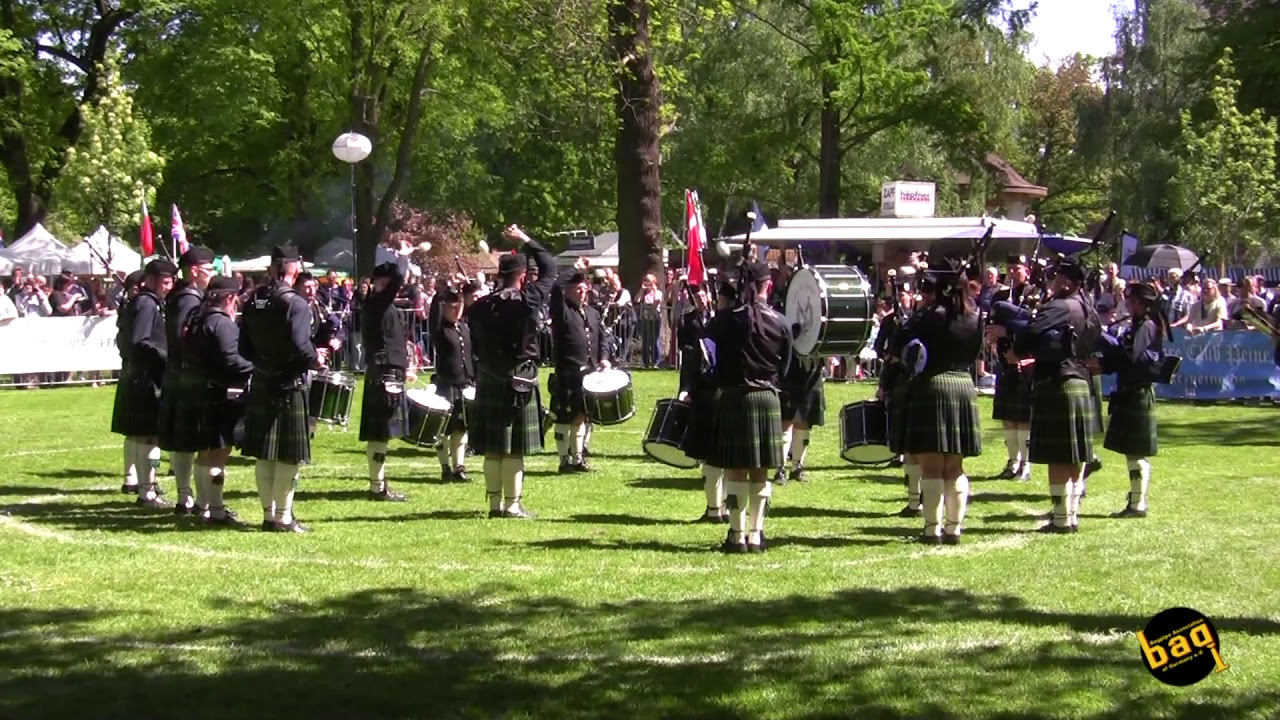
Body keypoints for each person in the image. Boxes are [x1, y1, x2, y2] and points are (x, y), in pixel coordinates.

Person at [994, 257, 1099, 534]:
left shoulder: (1059, 306)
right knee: (1075, 456)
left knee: (1059, 456)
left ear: (1067, 282)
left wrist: (1019, 343)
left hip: (1057, 382)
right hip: (1081, 381)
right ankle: (1070, 515)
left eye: (1057, 277)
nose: (1052, 281)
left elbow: (1030, 333)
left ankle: (1061, 520)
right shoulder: (1088, 308)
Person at [468, 225, 555, 519]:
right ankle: (512, 505)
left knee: (494, 447)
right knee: (514, 447)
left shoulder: (480, 306)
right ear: (522, 275)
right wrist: (525, 240)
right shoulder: (528, 300)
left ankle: (494, 506)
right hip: (519, 376)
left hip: (489, 375)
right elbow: (550, 268)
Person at [707, 261, 791, 554]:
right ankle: (756, 535)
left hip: (735, 397)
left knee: (735, 470)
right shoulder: (781, 322)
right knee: (760, 471)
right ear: (768, 285)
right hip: (767, 397)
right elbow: (785, 368)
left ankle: (736, 535)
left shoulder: (724, 320)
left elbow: (709, 359)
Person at [240, 245, 323, 533]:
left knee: (265, 453)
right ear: (294, 268)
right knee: (288, 454)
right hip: (289, 383)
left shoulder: (254, 299)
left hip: (263, 379)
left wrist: (264, 363)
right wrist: (315, 358)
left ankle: (268, 515)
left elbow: (243, 347)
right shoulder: (295, 303)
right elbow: (301, 346)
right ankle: (284, 517)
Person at [900, 266, 983, 544]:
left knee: (932, 466)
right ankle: (953, 529)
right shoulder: (976, 315)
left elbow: (900, 343)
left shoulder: (929, 316)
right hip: (963, 385)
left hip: (933, 385)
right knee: (955, 466)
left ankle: (931, 529)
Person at [181, 276, 255, 526]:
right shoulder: (221, 323)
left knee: (204, 452)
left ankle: (203, 506)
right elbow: (231, 360)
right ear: (230, 297)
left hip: (198, 389)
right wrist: (256, 366)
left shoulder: (196, 318)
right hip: (218, 394)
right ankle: (216, 510)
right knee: (218, 453)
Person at [110, 259, 177, 507]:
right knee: (150, 438)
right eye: (165, 282)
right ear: (150, 280)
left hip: (138, 375)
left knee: (140, 436)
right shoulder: (147, 305)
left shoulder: (141, 302)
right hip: (148, 377)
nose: (168, 287)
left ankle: (141, 485)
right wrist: (167, 357)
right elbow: (140, 341)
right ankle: (148, 490)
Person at [1096, 283, 1165, 519]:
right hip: (1128, 391)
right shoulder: (1137, 325)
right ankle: (1136, 501)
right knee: (1131, 452)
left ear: (1143, 304)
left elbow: (1130, 355)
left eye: (1133, 301)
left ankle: (1137, 504)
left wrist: (1105, 341)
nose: (1129, 304)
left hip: (1138, 392)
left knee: (1135, 453)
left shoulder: (1146, 326)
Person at [157, 246, 215, 516]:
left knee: (187, 441)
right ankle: (189, 497)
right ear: (194, 271)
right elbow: (185, 338)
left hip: (182, 374)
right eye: (209, 269)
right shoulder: (189, 299)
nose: (212, 273)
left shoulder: (183, 295)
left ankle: (187, 497)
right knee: (192, 441)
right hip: (189, 375)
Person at [357, 262, 412, 502]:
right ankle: (377, 487)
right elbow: (398, 279)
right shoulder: (378, 302)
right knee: (380, 434)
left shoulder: (378, 303)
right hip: (385, 373)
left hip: (386, 371)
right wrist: (404, 257)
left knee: (380, 434)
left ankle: (378, 483)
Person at [550, 258, 611, 474]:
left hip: (590, 373)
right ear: (568, 290)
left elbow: (603, 339)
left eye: (585, 289)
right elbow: (556, 287)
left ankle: (578, 458)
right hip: (568, 371)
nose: (583, 292)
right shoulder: (561, 310)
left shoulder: (592, 313)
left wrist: (604, 357)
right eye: (578, 288)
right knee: (563, 417)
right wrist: (574, 268)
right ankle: (563, 460)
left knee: (583, 416)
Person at [677, 282, 725, 523]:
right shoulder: (688, 321)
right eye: (697, 296)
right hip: (702, 386)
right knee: (716, 454)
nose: (701, 299)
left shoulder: (720, 321)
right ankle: (718, 508)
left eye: (704, 294)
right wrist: (685, 389)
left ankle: (718, 508)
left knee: (714, 453)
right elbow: (688, 355)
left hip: (713, 391)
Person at [989, 255, 1034, 481]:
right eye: (1010, 269)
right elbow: (991, 322)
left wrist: (1007, 333)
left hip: (1026, 361)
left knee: (1023, 417)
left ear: (1027, 271)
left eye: (1017, 268)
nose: (1013, 273)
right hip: (1004, 360)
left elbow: (1035, 326)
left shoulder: (1035, 295)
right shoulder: (1000, 296)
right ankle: (1012, 461)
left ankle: (1025, 463)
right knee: (1007, 415)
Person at [431, 288, 476, 482]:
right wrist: (442, 292)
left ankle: (459, 468)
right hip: (446, 385)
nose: (457, 310)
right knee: (442, 430)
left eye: (459, 306)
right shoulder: (439, 328)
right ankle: (445, 467)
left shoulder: (464, 328)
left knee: (461, 428)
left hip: (464, 384)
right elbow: (434, 311)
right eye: (452, 306)